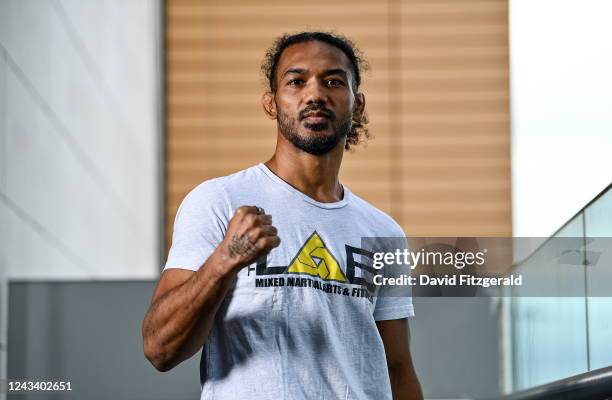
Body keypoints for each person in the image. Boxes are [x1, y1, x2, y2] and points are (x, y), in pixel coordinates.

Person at [142, 31, 423, 400]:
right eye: (296, 81)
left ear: (358, 104)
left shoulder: (383, 231)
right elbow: (160, 348)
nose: (315, 94)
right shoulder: (219, 200)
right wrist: (224, 261)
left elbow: (397, 367)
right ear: (271, 103)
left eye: (334, 81)